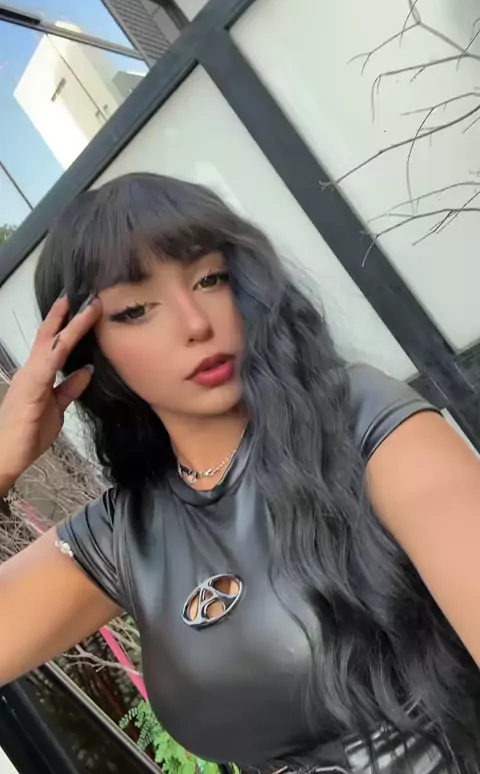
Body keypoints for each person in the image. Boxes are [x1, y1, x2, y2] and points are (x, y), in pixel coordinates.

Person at [0, 173, 480, 774]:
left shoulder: (360, 421)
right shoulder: (127, 535)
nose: (194, 323)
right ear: (88, 352)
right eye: (137, 309)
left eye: (209, 279)